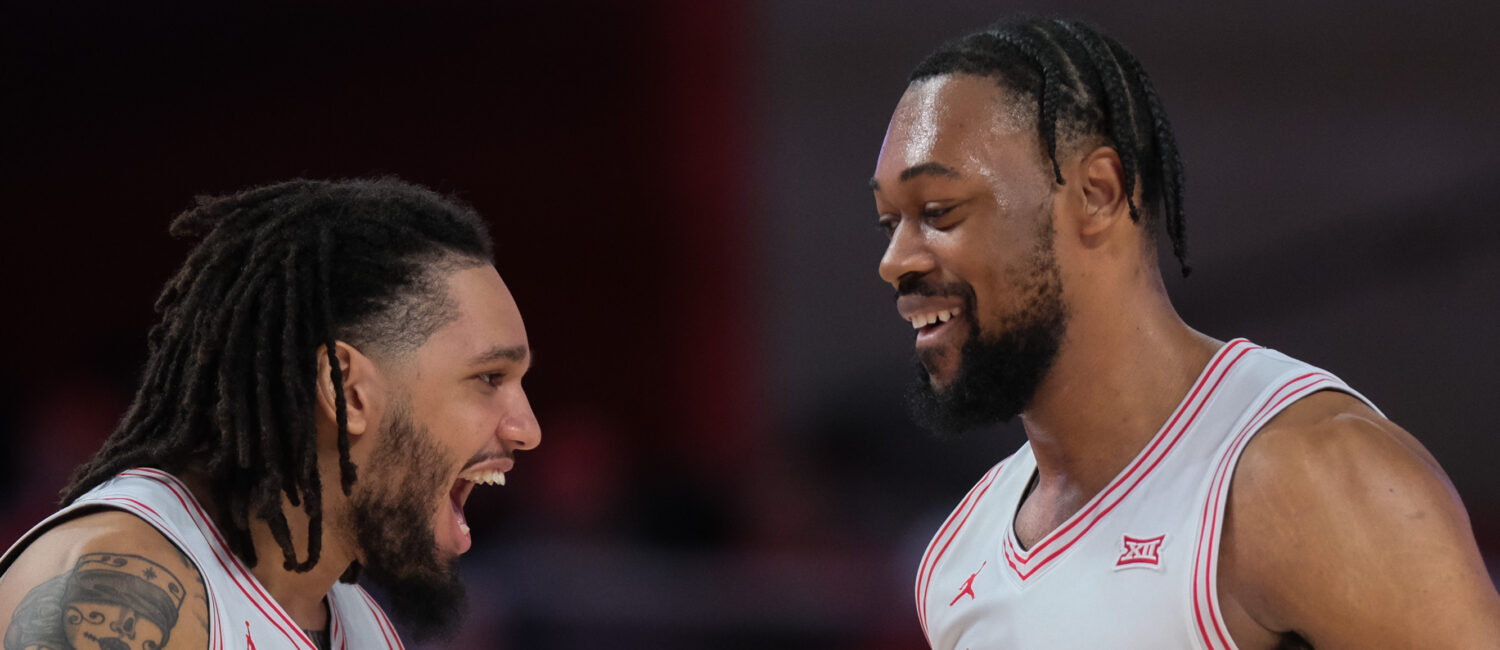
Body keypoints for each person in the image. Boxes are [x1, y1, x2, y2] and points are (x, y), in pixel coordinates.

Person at [870, 16, 1500, 649]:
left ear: (1097, 192)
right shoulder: (958, 559)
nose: (895, 261)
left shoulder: (1307, 478)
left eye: (936, 212)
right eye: (888, 222)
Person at [0, 178, 541, 649]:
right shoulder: (115, 583)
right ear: (346, 390)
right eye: (489, 378)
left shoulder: (359, 622)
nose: (527, 430)